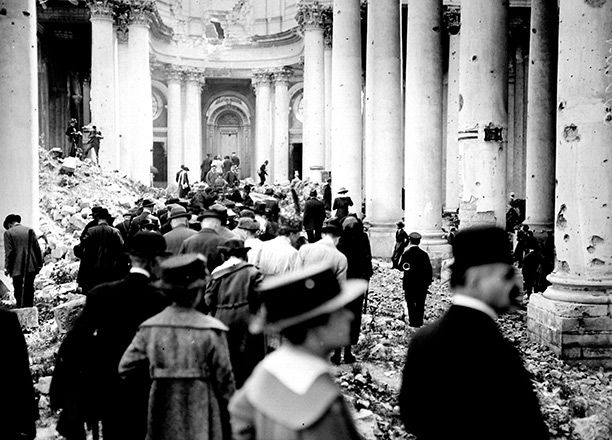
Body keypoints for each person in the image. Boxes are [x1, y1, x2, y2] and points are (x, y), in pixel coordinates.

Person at [399, 226, 549, 440]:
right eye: (505, 274)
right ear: (476, 279)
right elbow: (532, 431)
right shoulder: (500, 354)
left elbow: (411, 416)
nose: (514, 285)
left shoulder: (422, 341)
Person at [51, 232, 171, 440]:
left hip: (107, 386)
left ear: (131, 258)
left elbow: (75, 344)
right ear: (156, 261)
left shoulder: (101, 294)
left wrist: (66, 393)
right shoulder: (162, 299)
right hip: (150, 387)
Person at [229, 264, 367, 440]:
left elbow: (238, 421)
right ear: (316, 327)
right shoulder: (326, 405)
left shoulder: (268, 370)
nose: (350, 316)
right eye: (339, 311)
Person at [119, 254, 235, 440]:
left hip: (161, 409)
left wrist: (157, 377)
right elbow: (225, 382)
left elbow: (126, 367)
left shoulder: (151, 328)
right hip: (203, 410)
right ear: (198, 291)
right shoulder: (212, 330)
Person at [202, 239, 264, 388]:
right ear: (243, 254)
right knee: (247, 356)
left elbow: (208, 300)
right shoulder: (252, 271)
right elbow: (260, 297)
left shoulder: (217, 273)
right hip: (246, 317)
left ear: (224, 255)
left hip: (222, 317)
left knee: (227, 356)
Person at [337, 216, 373, 364]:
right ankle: (347, 352)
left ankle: (336, 353)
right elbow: (367, 259)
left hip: (341, 284)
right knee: (353, 317)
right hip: (357, 285)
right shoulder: (363, 238)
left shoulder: (341, 241)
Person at [0, 307, 38, 440]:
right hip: (9, 411)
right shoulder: (7, 320)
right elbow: (21, 371)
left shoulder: (7, 319)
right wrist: (29, 419)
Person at [76, 208, 125, 293]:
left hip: (92, 271)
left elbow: (81, 248)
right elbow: (123, 250)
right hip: (111, 271)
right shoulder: (115, 231)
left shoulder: (91, 231)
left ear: (98, 219)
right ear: (107, 219)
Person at [3, 214, 43, 308]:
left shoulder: (8, 233)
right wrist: (39, 264)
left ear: (9, 224)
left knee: (18, 288)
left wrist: (7, 268)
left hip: (16, 267)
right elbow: (37, 248)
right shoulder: (29, 230)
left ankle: (20, 308)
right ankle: (29, 307)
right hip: (31, 265)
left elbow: (9, 252)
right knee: (29, 286)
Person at [398, 232, 432, 328]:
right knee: (420, 303)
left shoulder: (406, 253)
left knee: (410, 303)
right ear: (419, 241)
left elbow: (400, 267)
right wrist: (428, 283)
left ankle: (413, 322)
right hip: (422, 284)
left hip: (409, 283)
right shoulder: (424, 255)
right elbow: (429, 270)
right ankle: (419, 322)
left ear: (410, 240)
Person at [179, 209, 226, 273]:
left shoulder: (187, 242)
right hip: (214, 281)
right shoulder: (223, 242)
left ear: (202, 224)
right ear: (216, 225)